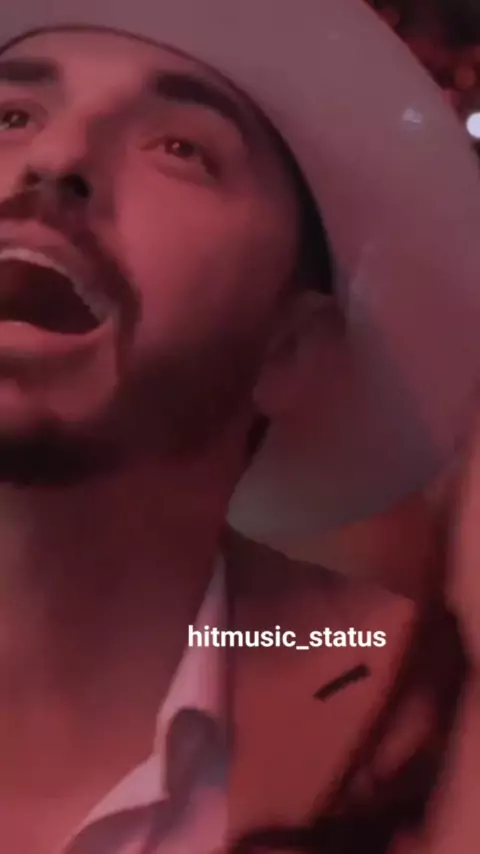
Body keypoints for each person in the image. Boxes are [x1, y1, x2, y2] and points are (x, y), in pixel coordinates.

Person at [0, 1, 479, 852]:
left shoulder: (419, 747)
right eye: (11, 117)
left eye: (180, 149)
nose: (55, 156)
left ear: (288, 348)